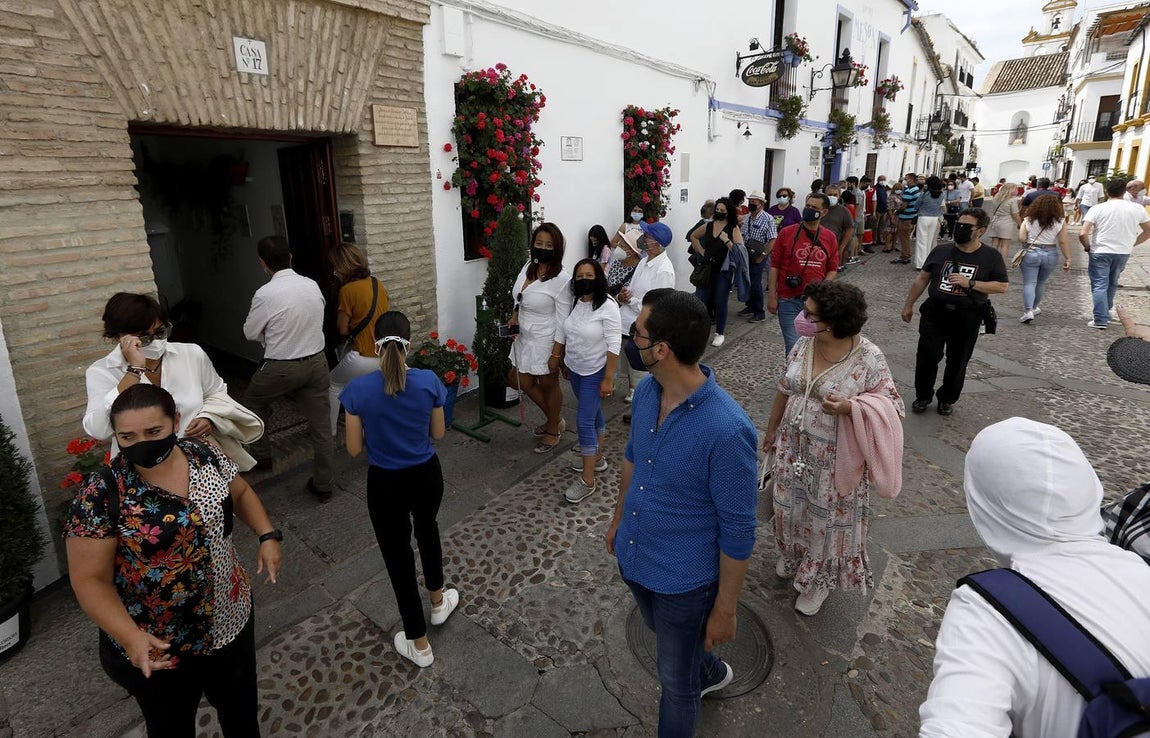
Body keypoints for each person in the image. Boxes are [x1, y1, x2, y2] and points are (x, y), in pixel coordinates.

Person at [65, 383, 282, 737]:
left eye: (154, 431)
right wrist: (131, 638)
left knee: (241, 714)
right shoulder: (102, 492)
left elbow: (239, 491)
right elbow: (90, 579)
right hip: (158, 647)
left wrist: (267, 534)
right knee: (170, 727)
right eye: (127, 436)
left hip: (230, 622)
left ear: (175, 421)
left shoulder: (203, 454)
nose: (142, 443)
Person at [919, 417, 1150, 737]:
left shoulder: (986, 612)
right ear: (1088, 489)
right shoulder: (1139, 569)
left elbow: (957, 724)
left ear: (984, 506)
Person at [606, 288, 758, 738]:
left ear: (661, 350)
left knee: (676, 684)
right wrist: (618, 519)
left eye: (638, 333)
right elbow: (633, 457)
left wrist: (725, 610)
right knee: (672, 641)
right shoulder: (650, 393)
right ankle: (708, 669)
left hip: (683, 583)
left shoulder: (728, 431)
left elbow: (738, 531)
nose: (631, 339)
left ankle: (698, 676)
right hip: (636, 560)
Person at [766, 281, 903, 616]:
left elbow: (893, 407)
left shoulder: (869, 358)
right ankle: (796, 556)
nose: (802, 318)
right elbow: (785, 387)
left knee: (823, 521)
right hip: (792, 449)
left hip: (834, 459)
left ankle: (819, 580)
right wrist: (771, 431)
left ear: (835, 322)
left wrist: (850, 407)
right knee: (789, 508)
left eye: (810, 315)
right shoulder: (804, 343)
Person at [340, 312, 459, 668]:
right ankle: (438, 603)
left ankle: (419, 643)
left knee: (398, 558)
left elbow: (353, 450)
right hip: (425, 475)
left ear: (374, 345)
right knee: (428, 532)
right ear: (410, 341)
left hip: (385, 483)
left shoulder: (357, 391)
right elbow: (438, 434)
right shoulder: (429, 382)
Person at [243, 235, 334, 501]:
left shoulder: (265, 294)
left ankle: (262, 457)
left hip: (281, 367)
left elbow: (250, 332)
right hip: (317, 362)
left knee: (253, 400)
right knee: (320, 426)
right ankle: (324, 484)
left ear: (262, 263)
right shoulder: (311, 284)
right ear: (291, 257)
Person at [84, 293, 233, 450]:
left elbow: (216, 392)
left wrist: (208, 417)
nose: (156, 342)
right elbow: (99, 430)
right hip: (144, 465)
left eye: (161, 332)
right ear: (118, 337)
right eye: (145, 338)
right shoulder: (102, 372)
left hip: (199, 456)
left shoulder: (191, 354)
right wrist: (134, 371)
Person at [902, 208, 1008, 416]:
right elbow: (922, 278)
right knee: (927, 356)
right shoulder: (941, 251)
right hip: (935, 312)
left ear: (981, 231)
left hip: (967, 316)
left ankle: (947, 398)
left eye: (967, 226)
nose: (960, 229)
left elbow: (1001, 286)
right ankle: (923, 396)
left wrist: (972, 283)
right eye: (959, 224)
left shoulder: (991, 256)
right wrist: (909, 305)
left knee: (958, 361)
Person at [552, 259, 621, 503]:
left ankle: (588, 481)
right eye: (579, 275)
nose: (584, 279)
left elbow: (614, 343)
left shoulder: (608, 305)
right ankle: (598, 458)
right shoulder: (575, 301)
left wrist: (609, 378)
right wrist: (561, 360)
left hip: (595, 371)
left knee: (583, 422)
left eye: (589, 275)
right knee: (594, 416)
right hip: (576, 369)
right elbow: (565, 329)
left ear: (599, 277)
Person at [509, 222, 573, 452]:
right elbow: (521, 295)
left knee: (548, 384)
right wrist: (514, 315)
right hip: (524, 336)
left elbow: (564, 319)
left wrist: (557, 353)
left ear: (557, 249)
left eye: (548, 245)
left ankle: (553, 429)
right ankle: (555, 420)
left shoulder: (562, 279)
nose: (543, 248)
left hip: (546, 339)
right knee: (519, 380)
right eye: (539, 243)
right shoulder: (528, 266)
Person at [328, 241, 389, 435]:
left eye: (335, 266)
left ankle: (330, 432)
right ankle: (367, 430)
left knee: (333, 384)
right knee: (366, 390)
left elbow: (343, 329)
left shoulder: (347, 290)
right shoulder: (377, 283)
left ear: (342, 266)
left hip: (362, 355)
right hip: (383, 354)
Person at [769, 193, 840, 357]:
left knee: (816, 347)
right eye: (807, 206)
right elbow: (774, 266)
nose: (809, 210)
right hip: (788, 299)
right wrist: (772, 295)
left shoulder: (829, 237)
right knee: (793, 347)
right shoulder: (787, 233)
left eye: (814, 208)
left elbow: (832, 269)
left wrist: (821, 289)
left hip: (816, 302)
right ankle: (792, 379)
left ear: (824, 212)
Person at [618, 221, 676, 420]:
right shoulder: (644, 261)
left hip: (644, 327)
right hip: (628, 322)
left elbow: (657, 305)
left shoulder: (664, 270)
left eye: (648, 237)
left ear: (657, 244)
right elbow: (636, 289)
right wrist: (627, 294)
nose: (644, 239)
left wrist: (632, 300)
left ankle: (645, 415)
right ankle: (640, 410)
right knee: (633, 369)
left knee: (644, 374)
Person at [1079, 178, 1150, 328]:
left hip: (1101, 250)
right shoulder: (1137, 209)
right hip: (1122, 252)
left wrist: (1087, 247)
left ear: (1106, 191)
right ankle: (1106, 312)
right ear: (1125, 191)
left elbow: (1083, 233)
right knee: (1112, 283)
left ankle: (1100, 319)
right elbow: (1148, 231)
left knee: (1099, 285)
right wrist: (1132, 243)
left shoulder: (1098, 208)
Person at [689, 197, 745, 347]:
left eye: (722, 210)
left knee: (720, 301)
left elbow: (740, 251)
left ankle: (720, 332)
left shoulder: (733, 228)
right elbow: (693, 236)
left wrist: (727, 241)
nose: (719, 212)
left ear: (728, 213)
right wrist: (701, 250)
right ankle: (698, 332)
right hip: (707, 269)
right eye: (717, 210)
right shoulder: (709, 225)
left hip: (723, 271)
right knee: (700, 301)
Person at [1017, 194, 1070, 324]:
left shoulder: (1028, 219)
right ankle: (1035, 307)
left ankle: (1028, 310)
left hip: (1031, 251)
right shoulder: (1060, 221)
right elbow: (1063, 241)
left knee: (1030, 283)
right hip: (1050, 252)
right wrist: (1068, 258)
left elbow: (1022, 238)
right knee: (1041, 282)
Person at [737, 190, 779, 324]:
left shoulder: (768, 219)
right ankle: (750, 306)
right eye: (750, 202)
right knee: (747, 280)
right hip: (747, 254)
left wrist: (764, 255)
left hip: (759, 255)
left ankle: (759, 312)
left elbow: (772, 239)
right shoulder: (748, 217)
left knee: (755, 283)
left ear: (761, 204)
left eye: (753, 202)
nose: (750, 204)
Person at [983, 182, 1021, 262]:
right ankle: (1002, 264)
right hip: (1006, 223)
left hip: (995, 222)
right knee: (1005, 246)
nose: (1016, 191)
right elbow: (1015, 214)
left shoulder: (996, 198)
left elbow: (993, 211)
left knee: (994, 244)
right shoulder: (1012, 200)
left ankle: (991, 262)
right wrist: (1020, 224)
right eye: (1015, 189)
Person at [820, 185, 855, 271]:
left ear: (839, 196)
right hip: (818, 244)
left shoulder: (844, 211)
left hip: (834, 245)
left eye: (835, 195)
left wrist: (842, 247)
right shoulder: (819, 208)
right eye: (830, 194)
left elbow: (849, 229)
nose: (832, 196)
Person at [914, 176, 946, 269]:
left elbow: (916, 206)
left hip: (923, 217)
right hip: (934, 218)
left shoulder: (924, 194)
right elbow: (942, 207)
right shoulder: (942, 195)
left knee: (921, 241)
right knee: (929, 241)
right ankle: (927, 261)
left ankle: (920, 263)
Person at [893, 173, 921, 264]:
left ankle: (904, 256)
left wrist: (896, 213)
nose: (904, 180)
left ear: (911, 179)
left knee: (903, 237)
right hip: (912, 216)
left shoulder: (909, 191)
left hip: (906, 217)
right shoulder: (917, 190)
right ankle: (906, 254)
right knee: (906, 237)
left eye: (906, 179)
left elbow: (904, 206)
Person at [606, 230, 641, 298]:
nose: (618, 248)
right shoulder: (617, 261)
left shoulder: (639, 269)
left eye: (622, 246)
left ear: (632, 252)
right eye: (619, 244)